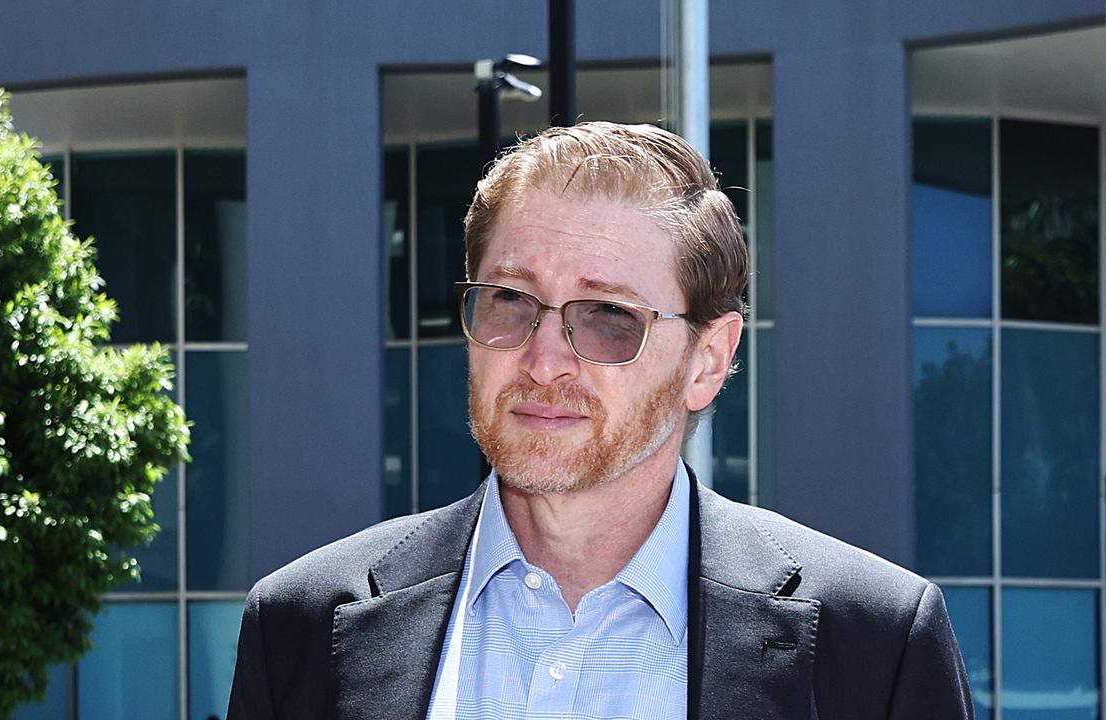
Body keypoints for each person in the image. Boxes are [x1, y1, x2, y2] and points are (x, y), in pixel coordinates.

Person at [226, 121, 973, 720]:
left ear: (706, 361)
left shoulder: (871, 643)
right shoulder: (302, 624)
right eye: (509, 301)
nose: (544, 359)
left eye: (608, 317)